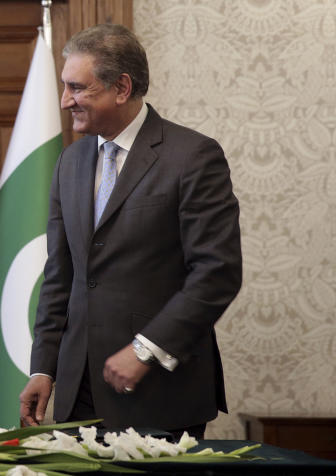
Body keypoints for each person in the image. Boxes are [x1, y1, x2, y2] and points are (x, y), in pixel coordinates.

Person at [19, 24, 242, 438]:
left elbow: (217, 273)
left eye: (77, 88)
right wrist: (43, 367)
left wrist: (145, 350)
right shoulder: (70, 162)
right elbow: (60, 276)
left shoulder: (192, 157)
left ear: (121, 87)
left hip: (160, 393)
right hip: (78, 395)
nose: (65, 101)